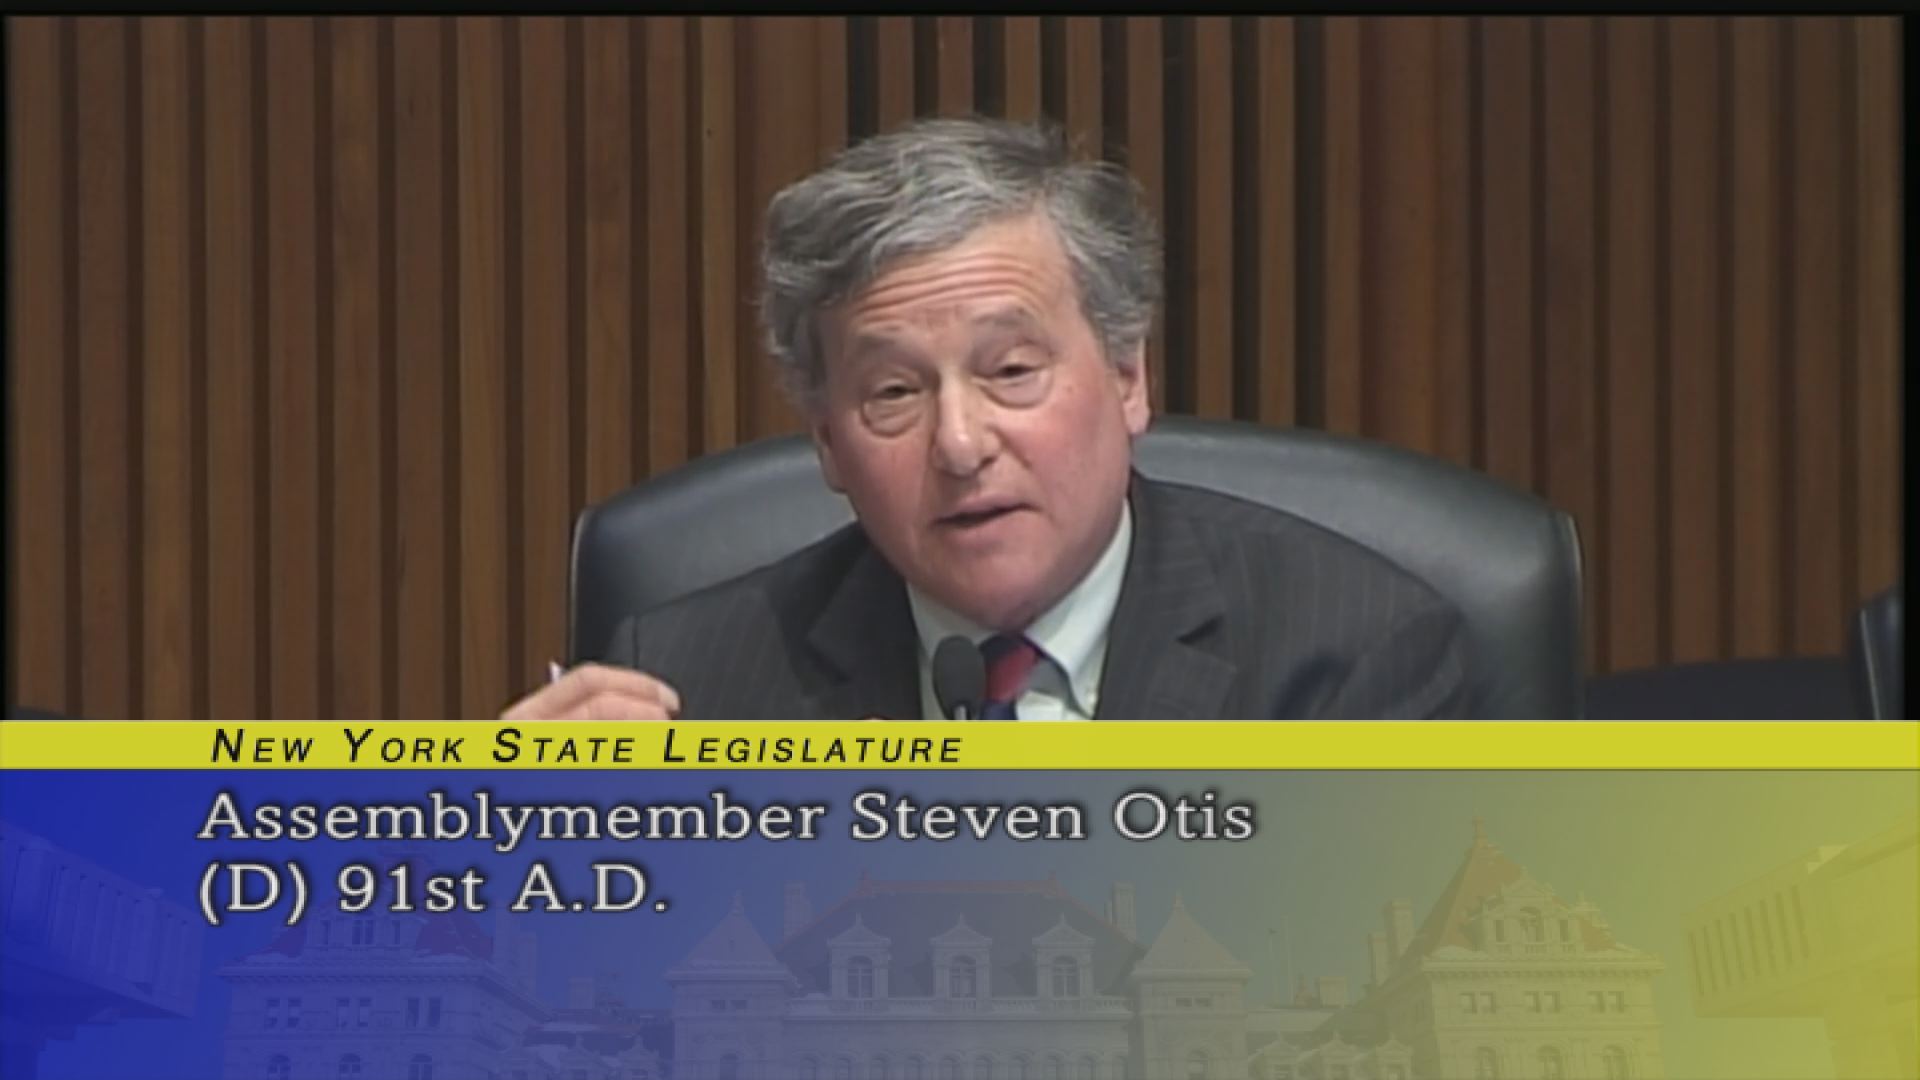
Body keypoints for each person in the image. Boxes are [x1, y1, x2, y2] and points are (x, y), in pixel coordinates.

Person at [503, 117, 1469, 722]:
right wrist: (502, 864)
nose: (961, 446)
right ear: (827, 440)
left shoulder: (1352, 659)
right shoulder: (691, 688)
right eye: (893, 393)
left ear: (1128, 376)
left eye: (1011, 372)